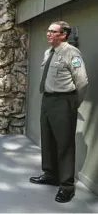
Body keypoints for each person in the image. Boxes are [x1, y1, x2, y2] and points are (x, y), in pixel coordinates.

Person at [29, 21, 88, 203]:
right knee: (47, 139)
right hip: (47, 99)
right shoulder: (49, 52)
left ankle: (66, 186)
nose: (48, 34)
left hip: (64, 100)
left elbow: (82, 81)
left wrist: (73, 104)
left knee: (64, 144)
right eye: (47, 31)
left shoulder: (71, 52)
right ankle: (50, 174)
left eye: (53, 31)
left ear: (63, 35)